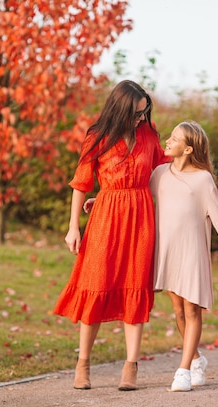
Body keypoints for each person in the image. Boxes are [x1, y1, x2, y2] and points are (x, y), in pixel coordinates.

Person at [53, 80, 170, 391]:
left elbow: (164, 171)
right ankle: (83, 363)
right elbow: (81, 182)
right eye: (135, 114)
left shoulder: (149, 134)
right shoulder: (97, 137)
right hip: (105, 217)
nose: (140, 119)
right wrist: (73, 226)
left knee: (135, 285)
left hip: (141, 216)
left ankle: (130, 366)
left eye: (144, 113)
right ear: (120, 110)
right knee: (96, 283)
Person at [150, 121, 218, 392]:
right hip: (167, 252)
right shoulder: (159, 173)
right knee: (178, 312)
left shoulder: (203, 179)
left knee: (192, 309)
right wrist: (98, 202)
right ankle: (195, 358)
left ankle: (182, 370)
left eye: (175, 139)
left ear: (188, 148)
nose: (168, 141)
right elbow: (139, 201)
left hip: (192, 253)